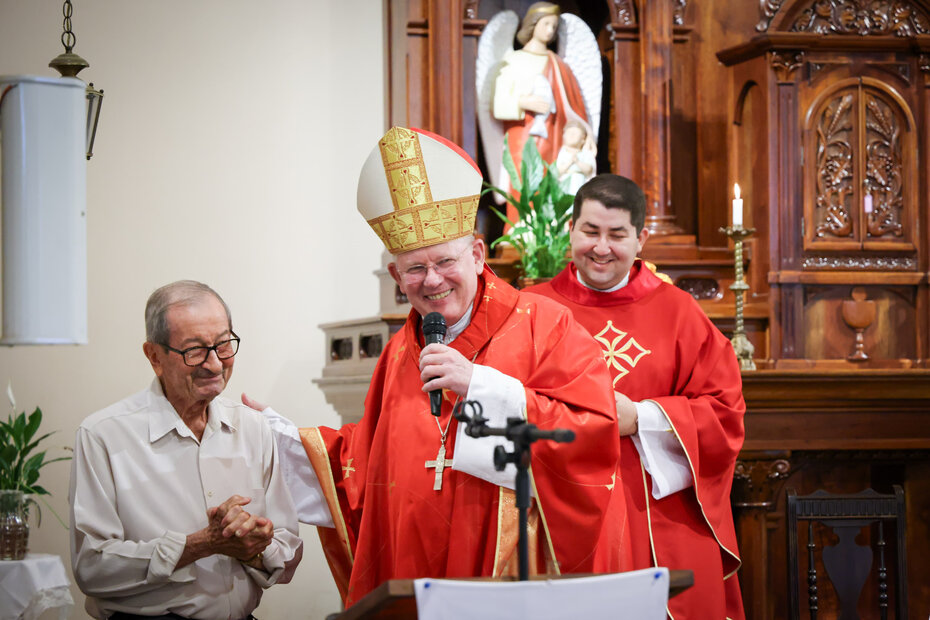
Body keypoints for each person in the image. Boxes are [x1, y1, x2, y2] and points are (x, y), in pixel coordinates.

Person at [248, 127, 630, 609]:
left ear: (476, 254)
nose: (432, 281)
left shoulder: (546, 326)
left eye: (445, 261)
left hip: (506, 577)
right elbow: (363, 464)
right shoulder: (398, 353)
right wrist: (280, 440)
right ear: (395, 277)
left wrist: (481, 387)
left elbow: (592, 432)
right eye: (414, 269)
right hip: (410, 573)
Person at [525, 175, 746, 619]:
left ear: (641, 238)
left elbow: (725, 413)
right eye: (590, 231)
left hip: (656, 515)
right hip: (558, 509)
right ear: (571, 229)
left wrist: (643, 417)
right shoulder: (531, 308)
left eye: (617, 235)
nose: (601, 247)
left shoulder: (679, 312)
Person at [69, 281, 303, 620]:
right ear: (154, 356)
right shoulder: (104, 435)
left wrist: (252, 548)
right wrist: (201, 544)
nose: (215, 364)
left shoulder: (254, 428)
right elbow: (92, 567)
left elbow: (289, 550)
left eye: (224, 344)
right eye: (194, 350)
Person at [491, 2, 594, 215]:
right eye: (546, 24)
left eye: (554, 27)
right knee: (524, 179)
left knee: (552, 181)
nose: (550, 30)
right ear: (533, 24)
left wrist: (587, 134)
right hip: (522, 135)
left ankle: (550, 229)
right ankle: (522, 226)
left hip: (555, 137)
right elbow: (498, 105)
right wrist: (522, 102)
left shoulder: (558, 64)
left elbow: (573, 107)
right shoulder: (514, 60)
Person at [555, 119, 596, 195]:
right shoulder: (562, 153)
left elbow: (589, 169)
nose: (571, 135)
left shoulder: (586, 153)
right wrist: (570, 162)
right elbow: (558, 171)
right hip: (565, 183)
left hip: (580, 182)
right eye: (569, 133)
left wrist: (577, 162)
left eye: (575, 134)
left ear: (583, 139)